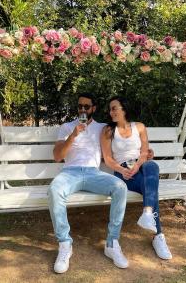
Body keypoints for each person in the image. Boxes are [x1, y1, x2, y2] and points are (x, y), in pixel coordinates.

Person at [48, 93, 129, 274]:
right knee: (54, 190)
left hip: (94, 174)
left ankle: (112, 243)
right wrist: (73, 135)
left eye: (86, 107)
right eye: (80, 107)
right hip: (70, 173)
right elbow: (57, 157)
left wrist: (145, 151)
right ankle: (65, 244)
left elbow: (125, 139)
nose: (82, 110)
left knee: (120, 187)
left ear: (93, 108)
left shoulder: (102, 128)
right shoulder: (67, 127)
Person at [100, 95, 172, 260]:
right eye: (110, 109)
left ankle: (148, 213)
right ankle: (158, 236)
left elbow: (144, 152)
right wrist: (122, 169)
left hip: (141, 167)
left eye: (114, 108)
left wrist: (138, 165)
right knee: (151, 190)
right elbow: (108, 158)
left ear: (124, 108)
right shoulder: (108, 130)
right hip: (123, 171)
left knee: (152, 165)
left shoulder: (139, 127)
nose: (111, 112)